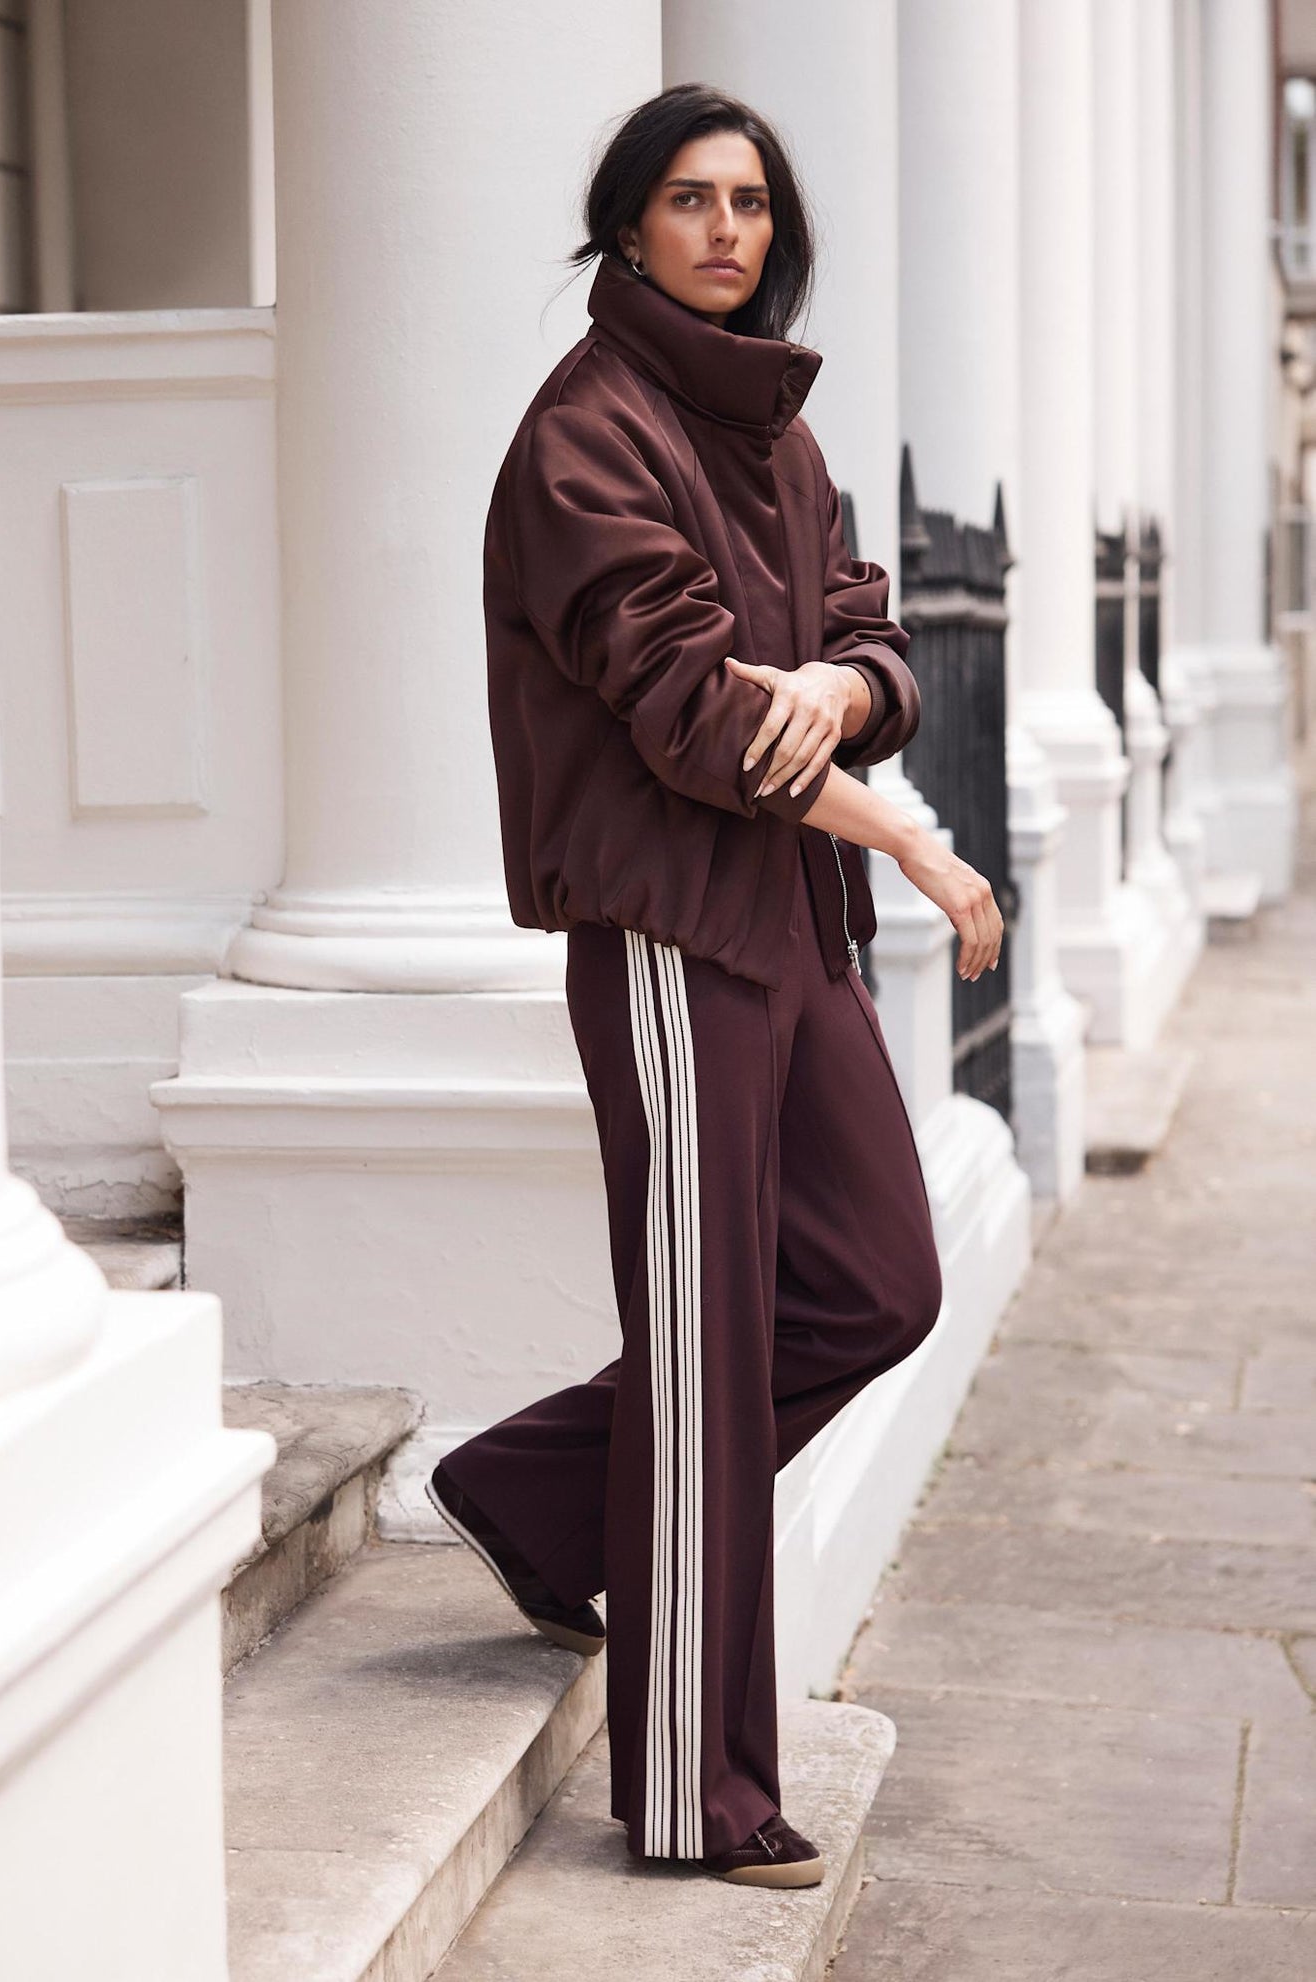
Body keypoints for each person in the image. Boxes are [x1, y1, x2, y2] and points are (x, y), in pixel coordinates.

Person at [427, 82, 1003, 1890]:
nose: (726, 229)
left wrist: (845, 693)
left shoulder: (774, 429)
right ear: (623, 227)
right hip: (674, 931)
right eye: (686, 200)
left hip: (789, 923)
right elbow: (692, 712)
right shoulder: (582, 438)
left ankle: (527, 1493)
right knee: (704, 1349)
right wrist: (909, 837)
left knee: (876, 1284)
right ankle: (690, 1790)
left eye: (748, 201)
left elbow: (865, 632)